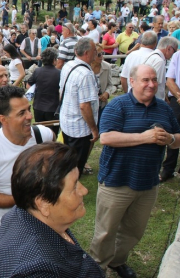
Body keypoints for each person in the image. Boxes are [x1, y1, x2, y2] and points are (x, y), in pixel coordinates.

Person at [89, 65, 180, 278]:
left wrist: (170, 139)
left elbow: (177, 139)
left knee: (133, 231)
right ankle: (97, 267)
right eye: (145, 80)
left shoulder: (164, 108)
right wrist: (145, 137)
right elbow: (107, 137)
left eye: (154, 80)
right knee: (105, 232)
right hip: (116, 181)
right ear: (132, 81)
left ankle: (117, 261)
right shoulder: (118, 105)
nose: (151, 84)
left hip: (148, 183)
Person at [0, 86, 55, 278]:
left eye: (29, 109)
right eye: (21, 113)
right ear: (3, 119)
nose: (29, 116)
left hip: (37, 228)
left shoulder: (43, 136)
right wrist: (28, 200)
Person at [0, 142, 105, 278]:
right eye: (74, 186)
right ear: (43, 204)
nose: (84, 191)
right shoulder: (38, 272)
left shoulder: (21, 213)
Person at [59, 38, 99, 177]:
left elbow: (61, 91)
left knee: (69, 158)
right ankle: (71, 188)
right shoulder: (86, 74)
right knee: (75, 165)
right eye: (95, 50)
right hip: (79, 128)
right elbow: (84, 106)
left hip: (67, 121)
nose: (97, 53)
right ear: (87, 53)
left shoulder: (68, 65)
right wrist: (94, 129)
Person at [27, 47, 61, 134]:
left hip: (38, 107)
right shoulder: (59, 73)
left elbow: (28, 85)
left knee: (40, 133)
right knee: (52, 134)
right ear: (54, 59)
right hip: (53, 108)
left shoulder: (37, 71)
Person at [160, 50, 180, 182]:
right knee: (173, 132)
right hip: (177, 99)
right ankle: (168, 169)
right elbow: (170, 80)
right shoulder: (178, 55)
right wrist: (179, 96)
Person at [91, 44, 113, 123]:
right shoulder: (86, 68)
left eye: (103, 53)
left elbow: (110, 84)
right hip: (89, 106)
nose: (101, 57)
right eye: (99, 54)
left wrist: (107, 93)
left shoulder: (107, 67)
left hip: (102, 104)